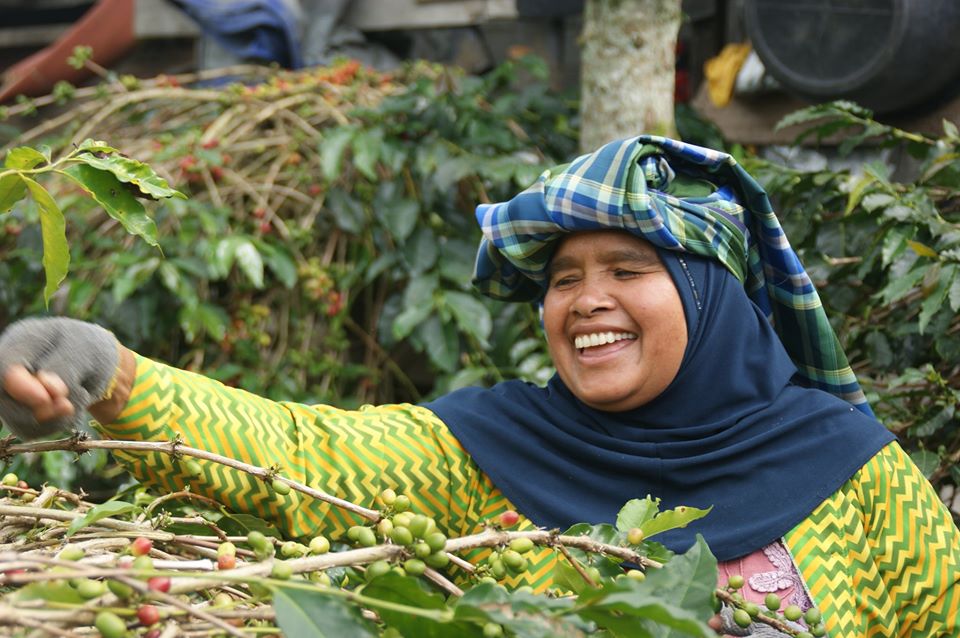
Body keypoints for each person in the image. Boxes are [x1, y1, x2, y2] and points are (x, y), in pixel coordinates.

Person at [1, 136, 958, 636]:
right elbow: (302, 454)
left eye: (627, 270)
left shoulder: (854, 473)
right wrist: (111, 370)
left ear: (710, 298)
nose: (586, 301)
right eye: (564, 279)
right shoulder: (495, 452)